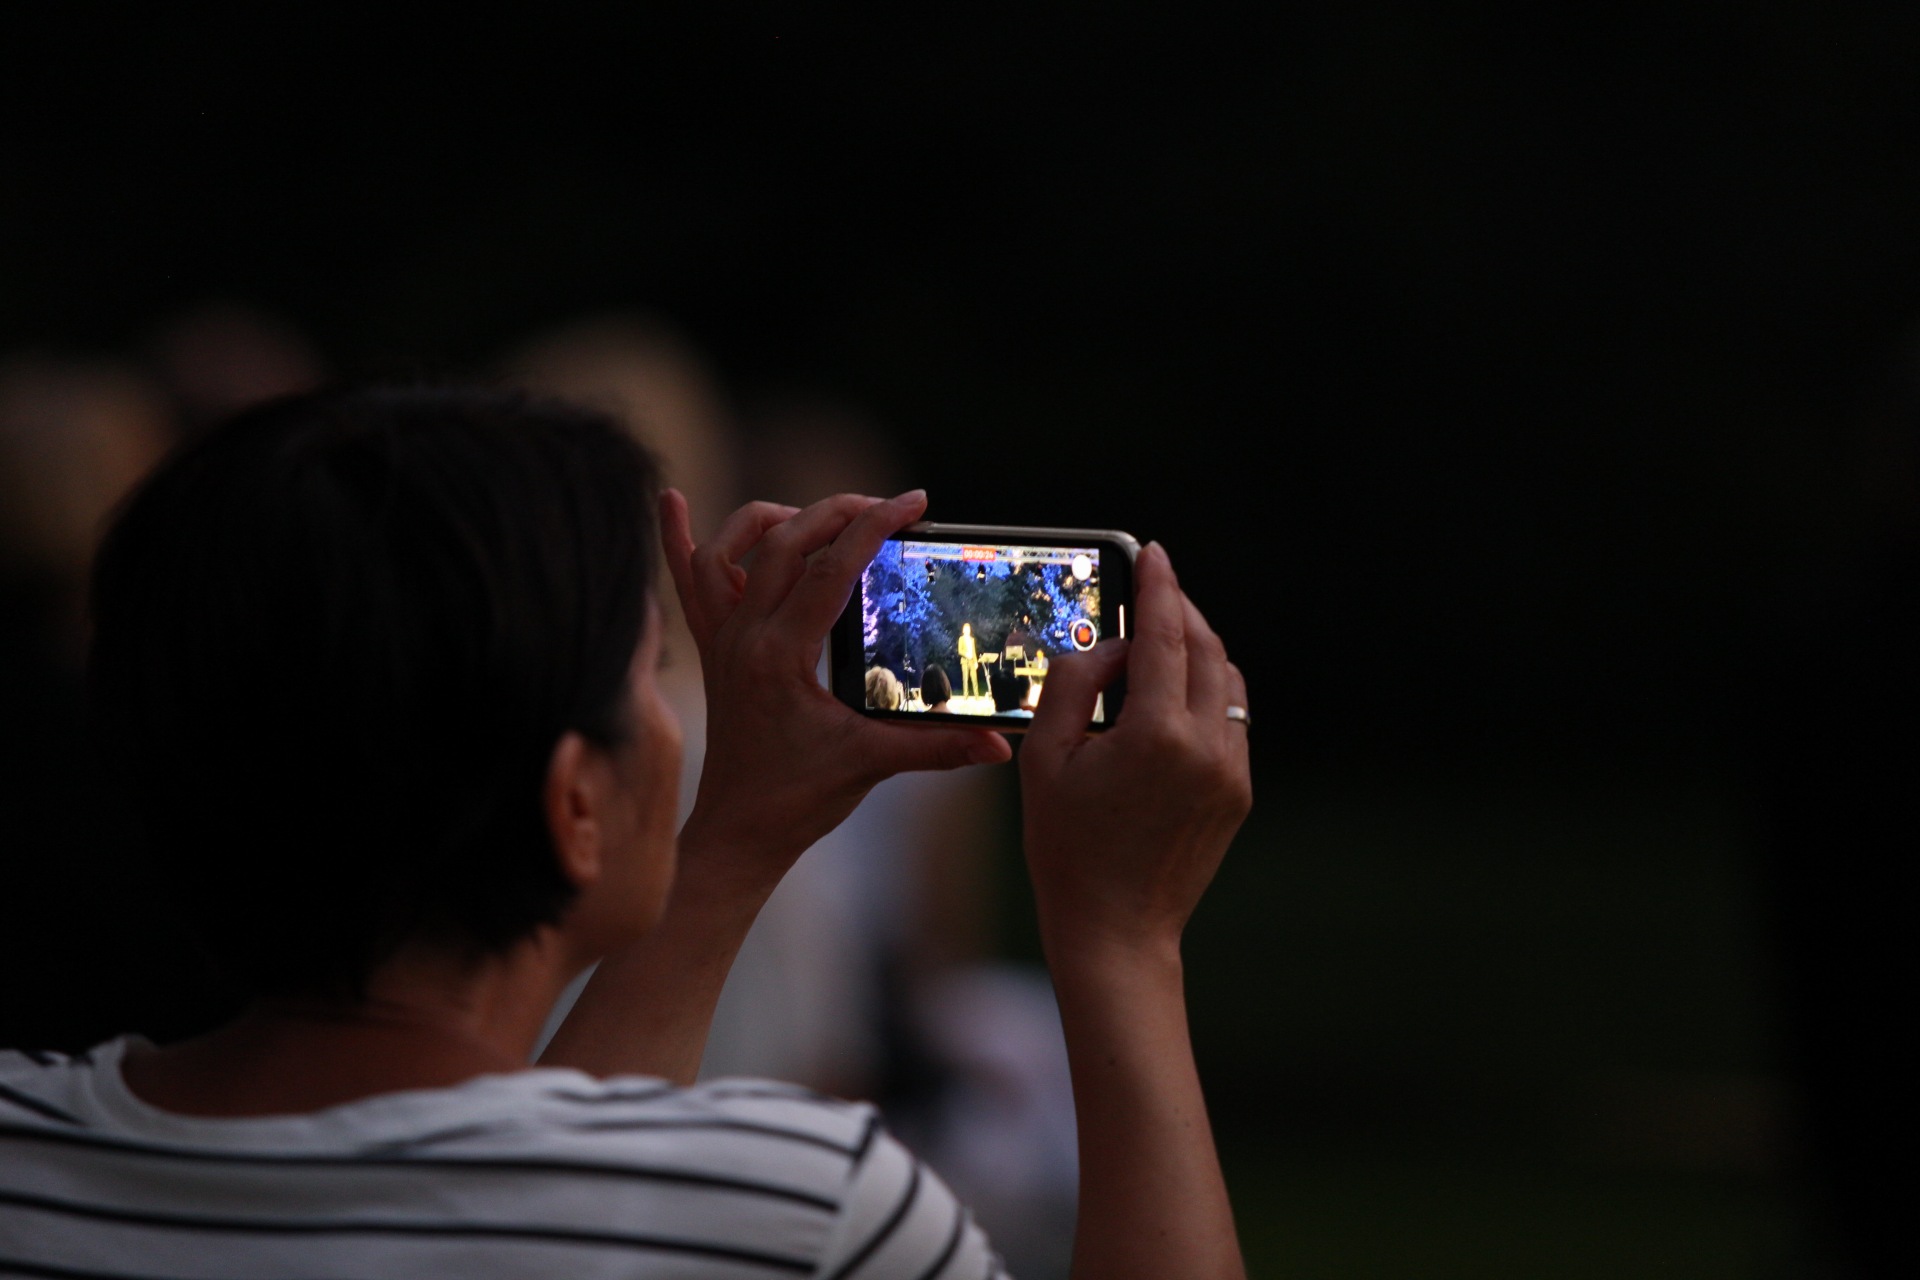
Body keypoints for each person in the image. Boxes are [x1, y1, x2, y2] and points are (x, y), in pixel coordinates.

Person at [0, 385, 1253, 1279]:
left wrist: (734, 837)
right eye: (652, 673)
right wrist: (1122, 940)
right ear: (575, 800)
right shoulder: (791, 1212)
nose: (677, 721)